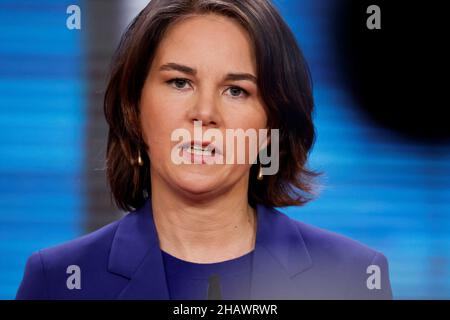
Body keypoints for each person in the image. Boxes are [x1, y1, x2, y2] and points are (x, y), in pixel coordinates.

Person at [16, 0, 392, 299]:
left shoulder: (353, 279)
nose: (204, 114)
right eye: (180, 82)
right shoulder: (58, 282)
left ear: (271, 126)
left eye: (236, 91)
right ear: (135, 109)